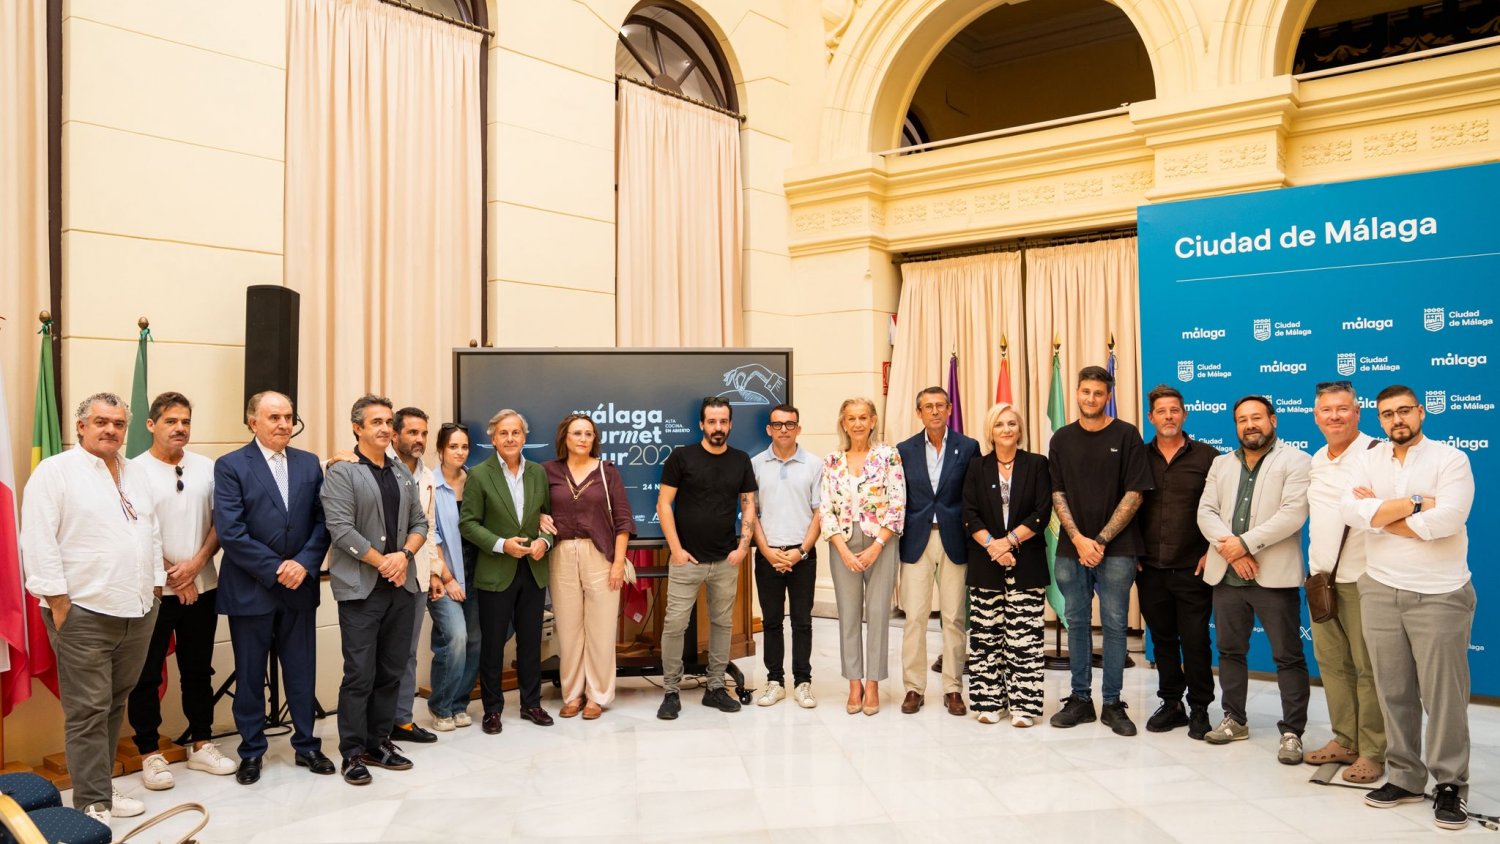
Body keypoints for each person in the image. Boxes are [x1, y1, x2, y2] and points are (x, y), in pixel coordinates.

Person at [21, 393, 163, 823]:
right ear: (80, 426)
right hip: (83, 612)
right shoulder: (55, 472)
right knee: (87, 711)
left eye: (118, 424)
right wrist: (58, 601)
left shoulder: (135, 472)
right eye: (101, 422)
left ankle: (100, 788)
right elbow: (38, 539)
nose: (111, 430)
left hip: (137, 610)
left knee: (114, 704)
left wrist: (155, 587)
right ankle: (91, 803)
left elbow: (150, 532)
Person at [1343, 385, 1475, 831]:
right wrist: (1418, 502)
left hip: (1439, 592)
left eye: (1404, 411)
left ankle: (1450, 783)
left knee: (1443, 696)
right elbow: (1352, 512)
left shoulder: (1450, 459)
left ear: (1421, 412)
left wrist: (1380, 518)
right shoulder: (1368, 458)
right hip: (1380, 588)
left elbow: (1448, 520)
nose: (1396, 419)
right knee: (1393, 690)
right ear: (1378, 419)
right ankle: (1404, 776)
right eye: (1387, 414)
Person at [213, 391, 333, 785]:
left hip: (299, 586)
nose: (284, 424)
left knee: (301, 672)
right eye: (275, 417)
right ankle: (251, 751)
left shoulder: (309, 463)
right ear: (253, 422)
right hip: (252, 588)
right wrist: (278, 567)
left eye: (289, 417)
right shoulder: (231, 466)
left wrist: (303, 563)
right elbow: (231, 531)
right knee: (249, 676)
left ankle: (307, 746)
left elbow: (322, 521)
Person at [127, 392, 237, 791]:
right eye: (171, 421)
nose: (180, 428)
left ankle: (202, 743)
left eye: (186, 421)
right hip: (154, 592)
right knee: (145, 674)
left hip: (202, 587)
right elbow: (138, 530)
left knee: (198, 669)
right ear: (151, 425)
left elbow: (222, 522)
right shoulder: (132, 470)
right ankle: (149, 753)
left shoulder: (207, 467)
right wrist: (176, 574)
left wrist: (194, 567)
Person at [1196, 395, 1311, 765]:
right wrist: (1232, 550)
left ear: (1273, 420)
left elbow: (1293, 514)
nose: (1250, 425)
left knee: (1288, 657)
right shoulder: (1219, 464)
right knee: (1230, 652)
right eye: (1242, 419)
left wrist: (1244, 545)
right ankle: (1235, 719)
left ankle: (1292, 732)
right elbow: (1206, 512)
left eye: (1257, 418)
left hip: (1273, 576)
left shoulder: (1296, 460)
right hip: (1227, 576)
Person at [322, 394, 428, 786]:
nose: (385, 428)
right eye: (376, 422)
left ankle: (379, 741)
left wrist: (402, 556)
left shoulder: (401, 471)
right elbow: (340, 528)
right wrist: (383, 561)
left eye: (388, 422)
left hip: (402, 585)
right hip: (363, 587)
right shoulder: (342, 471)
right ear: (358, 428)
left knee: (391, 670)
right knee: (360, 674)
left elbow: (420, 521)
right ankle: (352, 752)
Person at [1047, 365, 1152, 736]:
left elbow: (1135, 493)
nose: (1091, 398)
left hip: (1118, 549)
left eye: (1098, 393)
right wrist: (1078, 539)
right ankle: (1080, 700)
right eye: (1085, 392)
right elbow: (1057, 493)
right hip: (1070, 548)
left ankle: (1112, 703)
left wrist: (1101, 541)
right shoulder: (1060, 438)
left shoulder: (1127, 435)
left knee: (1113, 626)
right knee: (1075, 622)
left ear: (1108, 396)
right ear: (1076, 393)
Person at [655, 397, 759, 720]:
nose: (718, 428)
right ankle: (671, 690)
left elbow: (748, 506)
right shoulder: (681, 458)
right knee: (674, 625)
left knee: (722, 623)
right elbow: (663, 505)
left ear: (730, 424)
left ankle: (715, 687)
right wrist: (675, 549)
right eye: (711, 422)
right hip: (686, 560)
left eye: (723, 421)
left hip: (726, 560)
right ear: (701, 424)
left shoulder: (741, 461)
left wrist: (743, 548)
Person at [1302, 380, 1384, 783]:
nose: (1334, 416)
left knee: (1368, 669)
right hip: (1321, 580)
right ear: (1315, 416)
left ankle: (1373, 750)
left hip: (1363, 580)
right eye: (1326, 410)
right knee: (1333, 666)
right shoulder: (1317, 458)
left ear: (1357, 411)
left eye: (1342, 408)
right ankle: (1344, 738)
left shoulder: (1377, 454)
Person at [460, 409, 555, 734]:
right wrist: (502, 544)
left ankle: (531, 704)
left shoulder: (539, 473)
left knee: (531, 642)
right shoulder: (479, 474)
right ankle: (492, 710)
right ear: (493, 439)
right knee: (493, 644)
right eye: (504, 433)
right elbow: (468, 524)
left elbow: (549, 520)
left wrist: (545, 540)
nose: (511, 438)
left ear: (524, 437)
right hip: (495, 571)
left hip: (533, 569)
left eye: (516, 432)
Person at [960, 402, 1051, 727]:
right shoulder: (976, 468)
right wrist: (994, 547)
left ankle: (1024, 707)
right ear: (990, 431)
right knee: (986, 637)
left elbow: (1042, 512)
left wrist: (1009, 542)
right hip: (986, 562)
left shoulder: (1037, 464)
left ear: (1020, 429)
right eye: (1000, 424)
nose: (1007, 429)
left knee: (1024, 639)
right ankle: (989, 702)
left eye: (1012, 423)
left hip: (1026, 562)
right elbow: (969, 514)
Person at [1136, 385, 1218, 740]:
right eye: (1161, 411)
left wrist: (1211, 550)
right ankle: (1172, 704)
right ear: (1150, 417)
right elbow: (1126, 506)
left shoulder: (1208, 458)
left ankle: (1200, 707)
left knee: (1196, 640)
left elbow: (1222, 509)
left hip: (1192, 566)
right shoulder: (1137, 457)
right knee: (1163, 640)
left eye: (1174, 410)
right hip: (1150, 567)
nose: (1168, 416)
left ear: (1184, 415)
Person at [895, 387, 980, 717]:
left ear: (949, 409)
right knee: (914, 617)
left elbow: (972, 497)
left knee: (955, 618)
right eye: (927, 407)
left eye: (939, 406)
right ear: (919, 412)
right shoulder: (904, 450)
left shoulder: (968, 447)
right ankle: (914, 687)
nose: (934, 411)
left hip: (954, 540)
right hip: (916, 539)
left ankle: (953, 688)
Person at [544, 413, 632, 720]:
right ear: (564, 438)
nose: (582, 438)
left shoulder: (608, 473)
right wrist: (539, 518)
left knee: (601, 630)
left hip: (601, 555)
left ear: (594, 439)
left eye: (588, 434)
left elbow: (623, 521)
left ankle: (598, 695)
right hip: (561, 556)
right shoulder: (547, 472)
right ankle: (572, 694)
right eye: (576, 433)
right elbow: (534, 510)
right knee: (568, 630)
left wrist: (618, 563)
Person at [820, 397, 904, 716]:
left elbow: (897, 503)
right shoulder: (832, 460)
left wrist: (877, 545)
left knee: (879, 613)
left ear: (873, 421)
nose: (857, 423)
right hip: (842, 540)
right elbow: (825, 508)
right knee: (849, 616)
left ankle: (873, 683)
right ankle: (854, 682)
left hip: (880, 540)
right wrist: (842, 548)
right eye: (851, 418)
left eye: (863, 417)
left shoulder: (888, 455)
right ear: (843, 422)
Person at [749, 404, 822, 709]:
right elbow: (750, 512)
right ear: (769, 429)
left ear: (798, 429)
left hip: (802, 554)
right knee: (772, 622)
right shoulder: (755, 464)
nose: (783, 430)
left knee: (803, 621)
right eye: (777, 424)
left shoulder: (814, 464)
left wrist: (801, 551)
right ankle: (775, 681)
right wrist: (766, 551)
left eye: (789, 424)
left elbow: (820, 512)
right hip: (768, 553)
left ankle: (803, 682)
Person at [389, 407, 441, 745]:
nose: (419, 439)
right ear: (395, 435)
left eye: (423, 433)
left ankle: (402, 721)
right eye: (412, 433)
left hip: (418, 574)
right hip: (385, 573)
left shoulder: (428, 476)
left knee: (407, 653)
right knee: (381, 655)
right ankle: (376, 725)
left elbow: (431, 528)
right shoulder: (377, 467)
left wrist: (434, 571)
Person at [426, 423, 481, 731]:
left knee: (475, 640)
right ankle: (441, 706)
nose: (460, 452)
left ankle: (460, 704)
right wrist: (447, 577)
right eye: (453, 447)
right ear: (441, 450)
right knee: (455, 637)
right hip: (445, 574)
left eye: (464, 447)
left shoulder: (475, 481)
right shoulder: (429, 483)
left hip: (477, 573)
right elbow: (429, 534)